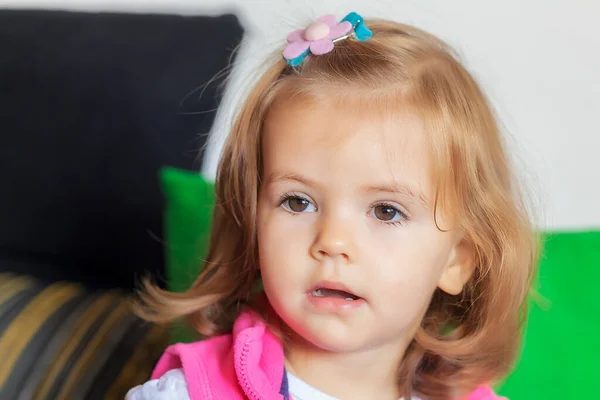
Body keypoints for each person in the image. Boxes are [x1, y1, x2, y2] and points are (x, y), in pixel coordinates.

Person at [126, 11, 537, 400]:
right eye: (297, 201)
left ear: (457, 261)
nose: (332, 241)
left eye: (386, 211)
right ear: (253, 225)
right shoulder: (191, 393)